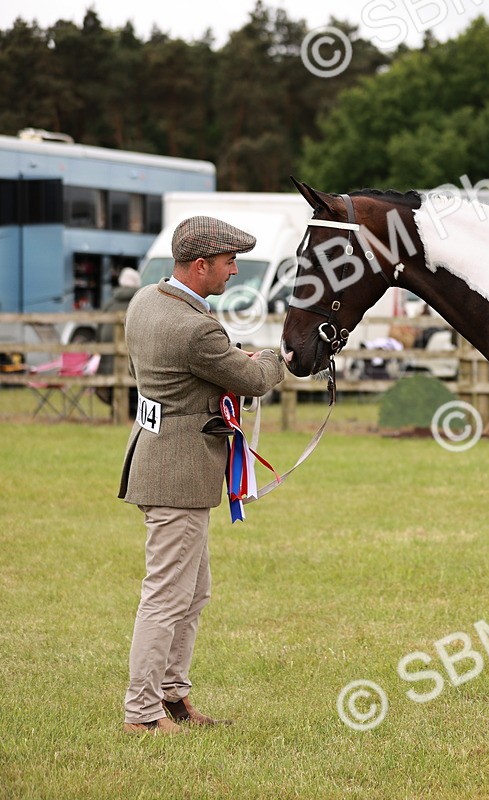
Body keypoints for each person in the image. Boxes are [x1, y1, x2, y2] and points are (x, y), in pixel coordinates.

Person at [118, 216, 285, 736]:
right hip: (178, 474)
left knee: (191, 595)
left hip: (159, 459)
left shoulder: (146, 301)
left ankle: (173, 697)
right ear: (200, 266)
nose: (234, 271)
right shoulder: (196, 328)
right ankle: (142, 714)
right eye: (229, 262)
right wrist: (281, 355)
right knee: (168, 597)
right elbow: (255, 380)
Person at [96, 267, 142, 412]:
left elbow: (99, 331)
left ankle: (116, 412)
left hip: (108, 362)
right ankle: (131, 413)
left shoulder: (109, 304)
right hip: (134, 364)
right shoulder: (140, 304)